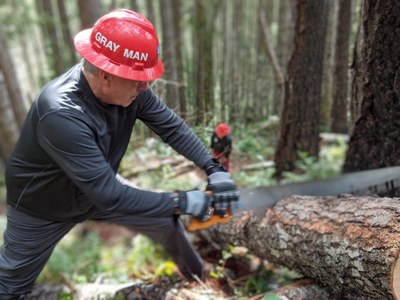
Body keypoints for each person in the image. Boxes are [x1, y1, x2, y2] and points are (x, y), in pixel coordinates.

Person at [0, 9, 239, 299]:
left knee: (164, 221)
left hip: (97, 187)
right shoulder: (61, 113)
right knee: (10, 288)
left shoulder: (133, 91)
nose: (145, 87)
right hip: (43, 207)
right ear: (105, 75)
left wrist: (213, 168)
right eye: (137, 81)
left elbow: (172, 128)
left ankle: (202, 281)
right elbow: (109, 195)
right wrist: (183, 200)